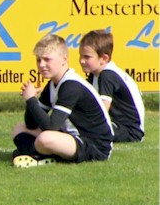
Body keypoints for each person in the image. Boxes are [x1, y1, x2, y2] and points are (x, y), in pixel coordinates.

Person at [11, 34, 114, 168]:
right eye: (38, 60)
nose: (41, 65)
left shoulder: (71, 85)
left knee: (45, 139)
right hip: (70, 137)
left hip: (94, 146)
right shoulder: (53, 84)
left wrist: (31, 100)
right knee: (19, 129)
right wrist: (31, 101)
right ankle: (39, 156)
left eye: (47, 60)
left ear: (64, 59)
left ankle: (37, 155)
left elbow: (51, 127)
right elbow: (31, 124)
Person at [79, 29, 145, 143]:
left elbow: (102, 111)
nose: (81, 60)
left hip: (129, 131)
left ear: (104, 58)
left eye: (87, 57)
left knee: (81, 129)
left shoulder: (107, 75)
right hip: (119, 126)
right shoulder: (95, 74)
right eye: (80, 55)